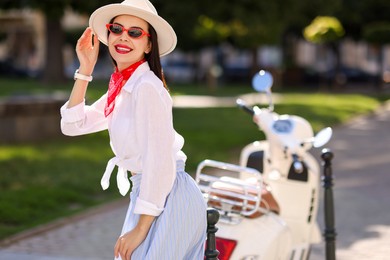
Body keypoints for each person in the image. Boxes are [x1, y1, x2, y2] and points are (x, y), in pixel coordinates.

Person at [60, 0, 207, 259]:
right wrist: (85, 69)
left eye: (135, 32)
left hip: (168, 195)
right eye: (116, 29)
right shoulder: (124, 86)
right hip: (149, 195)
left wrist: (141, 228)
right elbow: (73, 125)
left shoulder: (146, 87)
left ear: (148, 44)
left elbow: (159, 161)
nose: (123, 37)